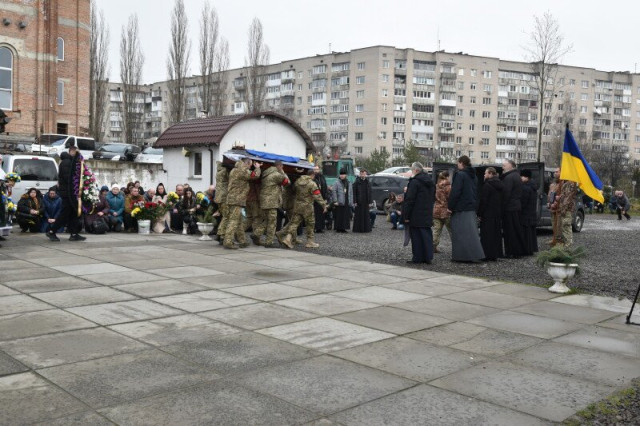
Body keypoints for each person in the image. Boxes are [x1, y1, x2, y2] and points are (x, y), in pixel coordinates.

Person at [277, 168, 327, 248]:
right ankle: (310, 242)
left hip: (297, 206)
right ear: (312, 175)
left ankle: (287, 238)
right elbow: (317, 195)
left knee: (294, 223)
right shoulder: (312, 184)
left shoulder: (297, 182)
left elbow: (293, 190)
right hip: (307, 207)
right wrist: (324, 205)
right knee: (310, 224)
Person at [448, 155, 484, 262]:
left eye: (458, 163)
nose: (457, 165)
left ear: (461, 163)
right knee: (471, 234)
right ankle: (474, 255)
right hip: (471, 207)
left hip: (460, 208)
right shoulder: (474, 176)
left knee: (460, 233)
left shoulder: (460, 175)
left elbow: (455, 192)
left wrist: (450, 207)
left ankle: (462, 256)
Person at [46, 145, 86, 242]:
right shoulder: (66, 162)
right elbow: (69, 178)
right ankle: (52, 231)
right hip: (67, 193)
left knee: (73, 213)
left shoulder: (71, 162)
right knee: (65, 214)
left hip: (71, 192)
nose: (78, 155)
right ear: (71, 151)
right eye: (76, 152)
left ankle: (74, 233)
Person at [223, 158, 262, 249]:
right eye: (250, 165)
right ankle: (228, 241)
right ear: (246, 163)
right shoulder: (242, 170)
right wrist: (258, 168)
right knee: (233, 221)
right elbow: (255, 175)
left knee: (239, 221)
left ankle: (242, 241)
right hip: (237, 200)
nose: (250, 167)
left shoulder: (234, 169)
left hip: (233, 199)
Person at [403, 162, 435, 264]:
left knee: (416, 237)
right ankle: (428, 257)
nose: (412, 171)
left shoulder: (415, 182)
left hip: (415, 214)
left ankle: (418, 257)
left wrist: (406, 215)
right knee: (426, 236)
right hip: (427, 212)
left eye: (412, 170)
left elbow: (410, 200)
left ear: (416, 170)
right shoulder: (430, 182)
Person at [253, 160, 289, 247]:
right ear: (279, 166)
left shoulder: (265, 173)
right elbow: (287, 182)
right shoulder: (276, 175)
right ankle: (269, 242)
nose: (282, 168)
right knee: (272, 222)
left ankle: (257, 233)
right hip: (271, 201)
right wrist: (283, 172)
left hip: (264, 201)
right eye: (282, 166)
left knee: (267, 220)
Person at [500, 159, 526, 258]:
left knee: (510, 231)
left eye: (504, 165)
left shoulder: (509, 177)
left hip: (509, 208)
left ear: (511, 166)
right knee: (516, 230)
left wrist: (502, 207)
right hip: (516, 206)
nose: (502, 167)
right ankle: (517, 251)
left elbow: (506, 194)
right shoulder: (517, 176)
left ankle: (511, 251)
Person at [477, 167, 504, 261]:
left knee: (486, 235)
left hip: (487, 214)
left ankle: (486, 255)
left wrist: (479, 213)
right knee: (495, 235)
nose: (484, 175)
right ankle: (494, 254)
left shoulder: (487, 185)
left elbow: (483, 201)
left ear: (491, 174)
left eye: (486, 173)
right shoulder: (500, 185)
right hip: (497, 214)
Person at [549, 167, 578, 247]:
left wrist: (563, 208)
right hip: (563, 208)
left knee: (566, 226)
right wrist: (560, 198)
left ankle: (568, 245)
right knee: (563, 227)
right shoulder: (565, 183)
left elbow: (568, 198)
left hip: (567, 209)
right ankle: (565, 244)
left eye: (557, 172)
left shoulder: (571, 183)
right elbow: (564, 195)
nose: (556, 173)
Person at [520, 169, 538, 255]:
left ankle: (526, 250)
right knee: (531, 233)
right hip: (532, 213)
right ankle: (531, 249)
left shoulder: (525, 188)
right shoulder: (533, 186)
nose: (520, 178)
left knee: (526, 233)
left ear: (526, 177)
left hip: (525, 213)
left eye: (522, 176)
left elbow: (523, 202)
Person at [432, 171, 452, 253]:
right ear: (447, 177)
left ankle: (433, 247)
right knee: (451, 230)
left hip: (436, 210)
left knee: (436, 230)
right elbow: (450, 198)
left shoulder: (436, 186)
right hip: (446, 211)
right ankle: (457, 247)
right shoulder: (448, 187)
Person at [330, 168, 353, 233]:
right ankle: (338, 228)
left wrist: (351, 201)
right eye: (341, 174)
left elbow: (351, 193)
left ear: (346, 175)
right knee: (339, 215)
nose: (342, 175)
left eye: (343, 174)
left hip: (346, 201)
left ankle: (344, 228)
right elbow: (334, 191)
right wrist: (335, 201)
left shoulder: (349, 183)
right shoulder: (336, 182)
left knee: (345, 216)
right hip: (339, 201)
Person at [352, 168, 372, 233]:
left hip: (366, 201)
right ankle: (358, 229)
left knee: (366, 215)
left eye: (364, 174)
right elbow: (354, 193)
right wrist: (354, 201)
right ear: (360, 174)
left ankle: (366, 229)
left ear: (366, 174)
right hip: (359, 202)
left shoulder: (368, 182)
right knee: (358, 216)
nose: (363, 175)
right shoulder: (356, 182)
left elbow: (370, 192)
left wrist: (370, 202)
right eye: (361, 174)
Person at [214, 162, 230, 244]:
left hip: (218, 197)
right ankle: (220, 234)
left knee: (224, 216)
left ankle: (220, 234)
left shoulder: (218, 173)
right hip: (223, 197)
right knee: (226, 216)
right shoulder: (224, 171)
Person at [313, 165, 329, 233]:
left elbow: (325, 187)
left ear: (319, 170)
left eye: (317, 169)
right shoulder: (313, 178)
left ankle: (320, 228)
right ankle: (315, 228)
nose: (316, 171)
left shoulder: (322, 177)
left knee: (321, 213)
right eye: (314, 169)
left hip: (322, 198)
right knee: (315, 214)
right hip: (315, 199)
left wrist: (326, 197)